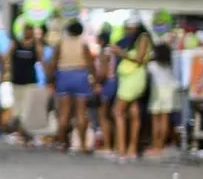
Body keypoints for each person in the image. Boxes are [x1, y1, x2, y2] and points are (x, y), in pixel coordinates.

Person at [48, 20, 97, 154]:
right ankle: (82, 145)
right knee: (81, 112)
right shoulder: (83, 44)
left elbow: (53, 63)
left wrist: (50, 80)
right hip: (80, 76)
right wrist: (95, 80)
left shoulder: (61, 43)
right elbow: (90, 64)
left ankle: (62, 143)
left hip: (63, 76)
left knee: (64, 112)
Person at [113, 18, 152, 162]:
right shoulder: (136, 40)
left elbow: (139, 58)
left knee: (118, 112)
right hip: (130, 78)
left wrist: (120, 52)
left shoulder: (143, 38)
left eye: (129, 29)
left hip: (133, 79)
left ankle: (122, 149)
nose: (127, 31)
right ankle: (131, 149)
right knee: (134, 111)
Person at [7, 23, 45, 144]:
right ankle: (19, 133)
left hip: (30, 81)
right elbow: (7, 57)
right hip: (17, 81)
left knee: (27, 109)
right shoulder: (15, 44)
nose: (28, 33)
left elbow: (41, 58)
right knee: (17, 109)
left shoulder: (35, 45)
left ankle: (24, 133)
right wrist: (6, 72)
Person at [147, 41, 177, 156]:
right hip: (170, 90)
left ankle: (155, 146)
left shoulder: (152, 65)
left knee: (156, 121)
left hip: (157, 91)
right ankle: (161, 145)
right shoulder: (169, 65)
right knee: (165, 119)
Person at [94, 27, 118, 155]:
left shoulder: (104, 52)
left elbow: (102, 72)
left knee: (103, 116)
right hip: (113, 83)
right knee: (110, 115)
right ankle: (114, 144)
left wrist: (95, 82)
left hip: (106, 84)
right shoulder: (112, 51)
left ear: (101, 40)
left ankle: (107, 145)